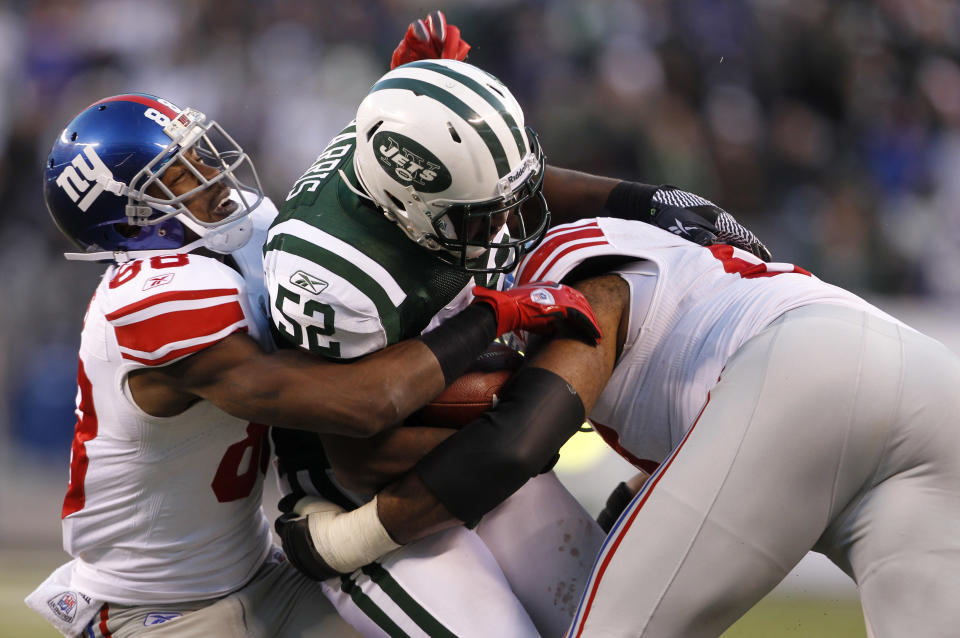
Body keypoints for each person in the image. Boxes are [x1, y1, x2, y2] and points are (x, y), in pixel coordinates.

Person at [276, 60, 960, 637]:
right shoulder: (643, 254)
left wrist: (352, 538)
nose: (510, 223)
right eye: (492, 212)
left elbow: (514, 444)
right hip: (921, 382)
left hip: (805, 377)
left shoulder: (565, 265)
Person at [26, 92, 598, 638]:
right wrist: (488, 320)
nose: (212, 172)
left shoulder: (239, 237)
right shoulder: (146, 300)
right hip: (155, 611)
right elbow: (360, 403)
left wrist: (400, 122)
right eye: (179, 173)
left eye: (200, 149)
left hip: (261, 574)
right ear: (133, 223)